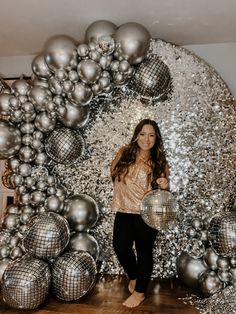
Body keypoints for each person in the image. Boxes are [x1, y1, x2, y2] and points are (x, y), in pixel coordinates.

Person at [111, 118, 169, 308]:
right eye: (143, 134)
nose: (147, 139)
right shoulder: (123, 153)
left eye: (151, 135)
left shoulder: (159, 161)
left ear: (156, 138)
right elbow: (113, 174)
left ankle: (140, 292)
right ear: (136, 135)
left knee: (144, 252)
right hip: (124, 210)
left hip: (147, 214)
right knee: (120, 247)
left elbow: (165, 194)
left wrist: (164, 185)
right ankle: (135, 277)